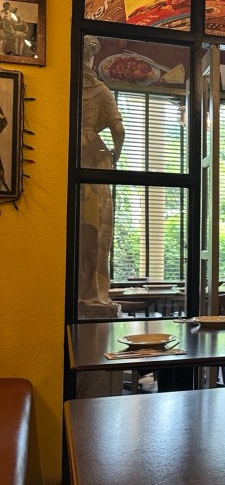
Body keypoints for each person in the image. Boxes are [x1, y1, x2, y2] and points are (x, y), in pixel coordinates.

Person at [79, 35, 125, 317]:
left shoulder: (65, 87)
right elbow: (119, 131)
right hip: (94, 155)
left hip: (66, 151)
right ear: (93, 57)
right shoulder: (102, 91)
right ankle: (94, 292)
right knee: (97, 228)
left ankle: (76, 289)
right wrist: (114, 155)